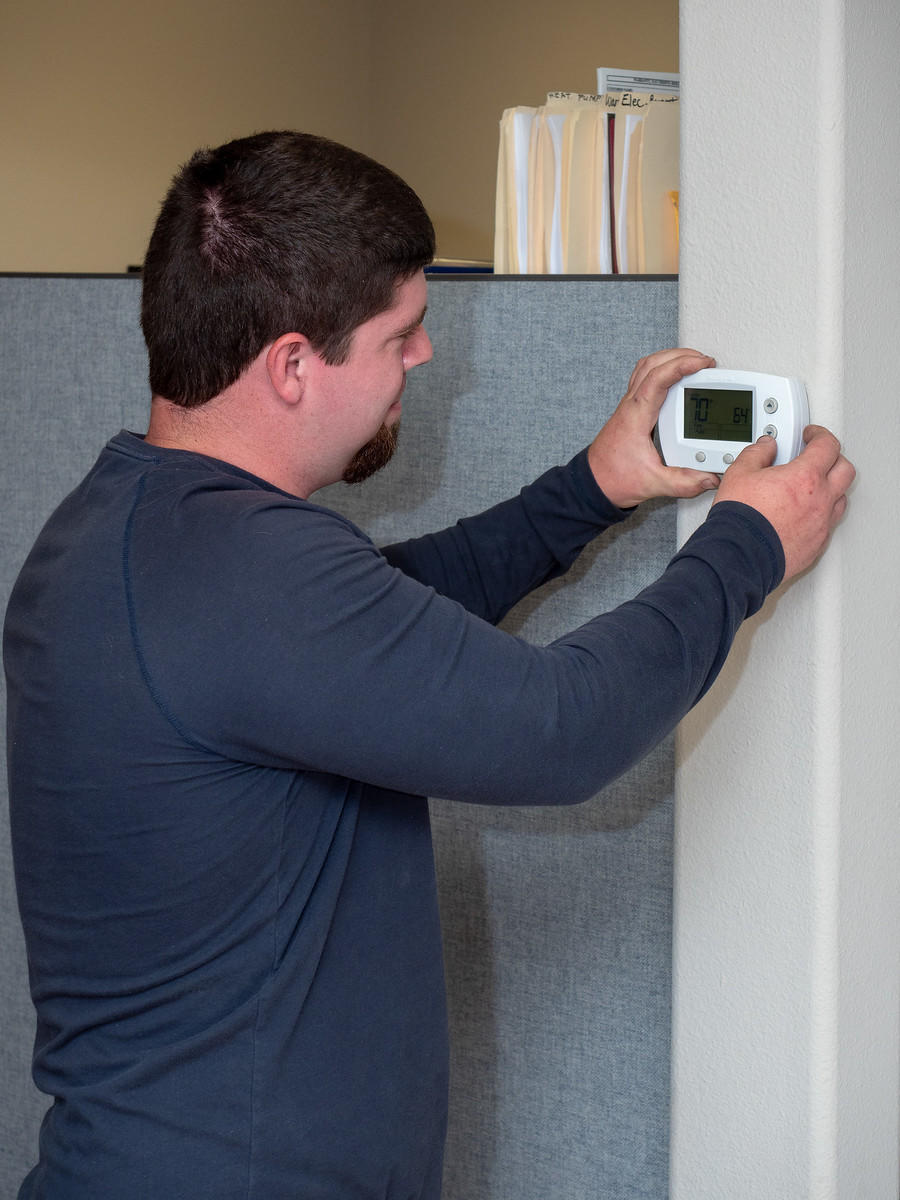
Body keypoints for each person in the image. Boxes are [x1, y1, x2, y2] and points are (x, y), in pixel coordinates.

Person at [3, 131, 854, 1199]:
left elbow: (393, 616)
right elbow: (561, 727)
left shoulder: (134, 530)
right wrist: (750, 546)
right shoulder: (247, 572)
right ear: (294, 365)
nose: (424, 358)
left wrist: (592, 486)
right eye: (399, 335)